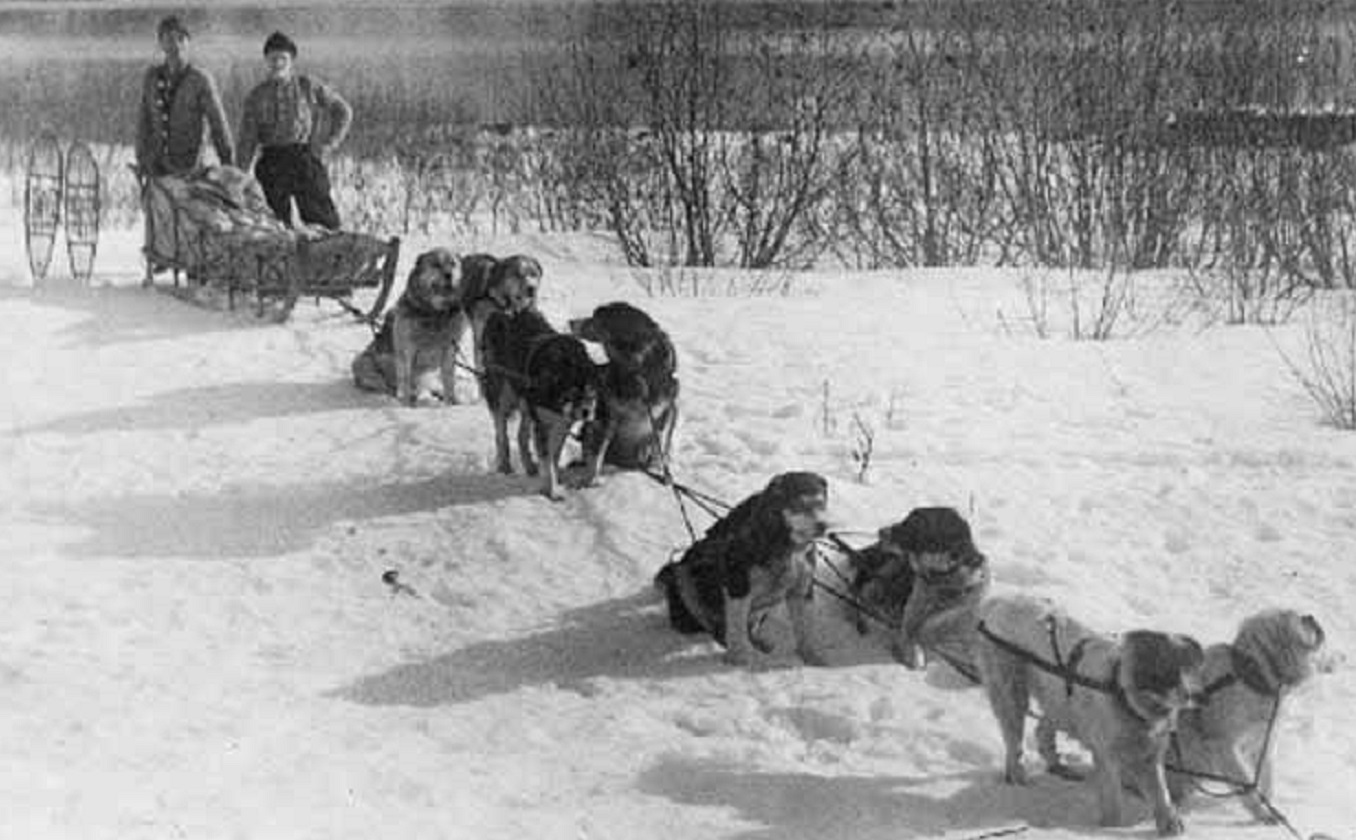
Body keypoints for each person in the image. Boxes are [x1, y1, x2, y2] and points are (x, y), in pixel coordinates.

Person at [236, 31, 352, 230]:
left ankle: (332, 248)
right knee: (275, 227)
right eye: (273, 58)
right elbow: (246, 141)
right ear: (266, 61)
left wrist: (328, 145)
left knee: (324, 223)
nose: (277, 63)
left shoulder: (307, 85)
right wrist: (239, 178)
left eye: (283, 58)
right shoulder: (256, 96)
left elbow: (343, 111)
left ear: (291, 61)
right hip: (272, 163)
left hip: (303, 159)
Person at [135, 15, 234, 178]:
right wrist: (141, 160)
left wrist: (228, 165)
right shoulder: (152, 78)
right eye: (169, 39)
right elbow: (143, 124)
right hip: (157, 169)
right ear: (161, 44)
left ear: (189, 42)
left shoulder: (200, 80)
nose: (175, 45)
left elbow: (218, 125)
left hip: (189, 170)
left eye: (180, 39)